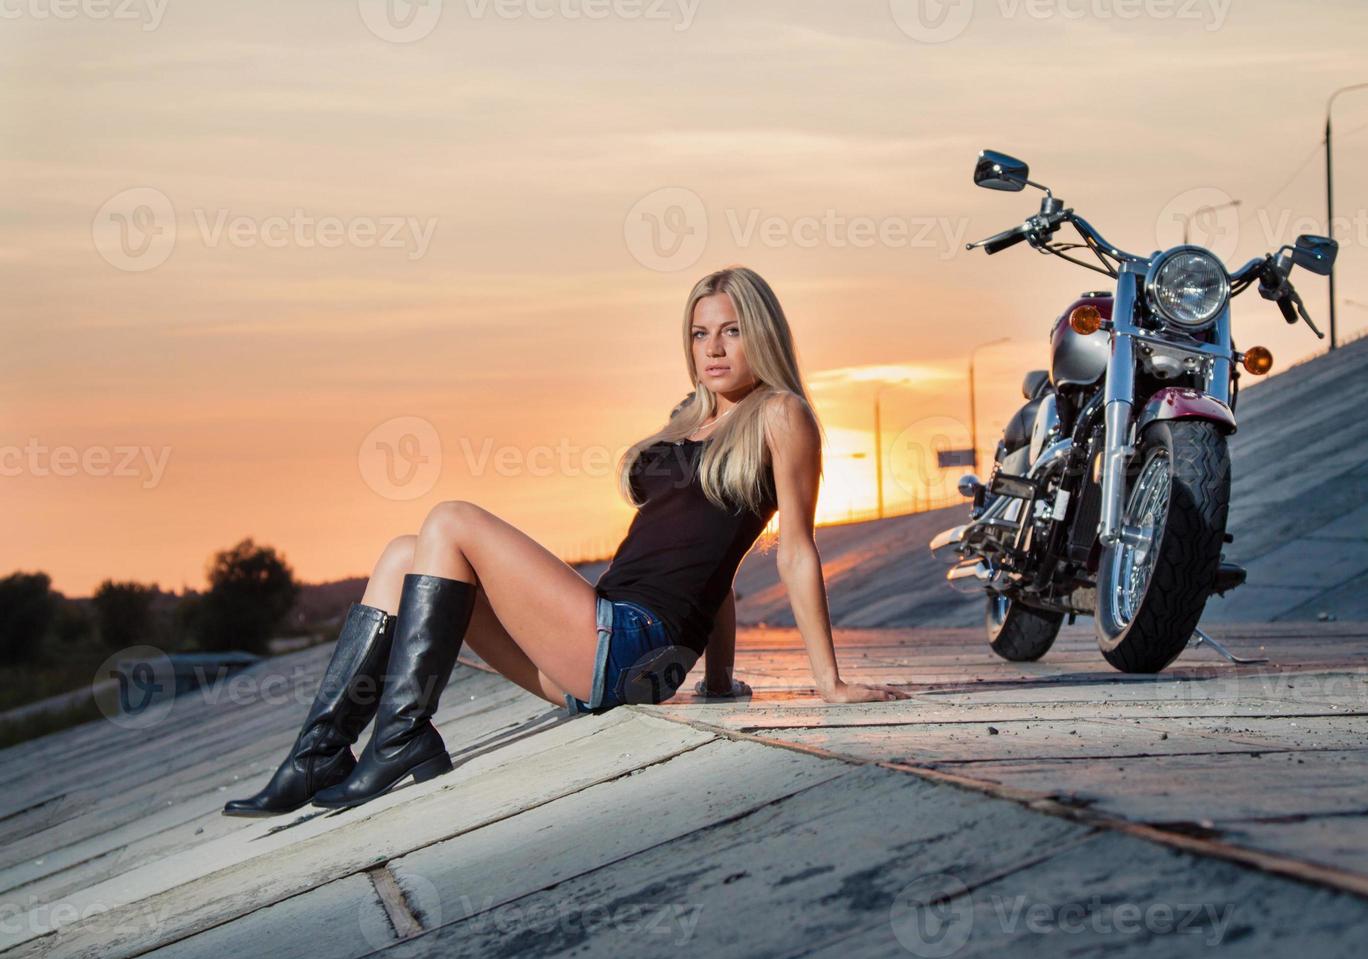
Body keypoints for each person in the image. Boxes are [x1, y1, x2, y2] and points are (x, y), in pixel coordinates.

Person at [222, 265, 908, 817]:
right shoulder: (687, 419)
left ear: (762, 334)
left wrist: (831, 683)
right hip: (586, 645)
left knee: (451, 518)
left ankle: (400, 735)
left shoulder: (782, 416)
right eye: (700, 334)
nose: (715, 349)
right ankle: (322, 750)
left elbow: (792, 549)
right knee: (407, 553)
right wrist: (721, 681)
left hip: (627, 642)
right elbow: (710, 568)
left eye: (731, 331)